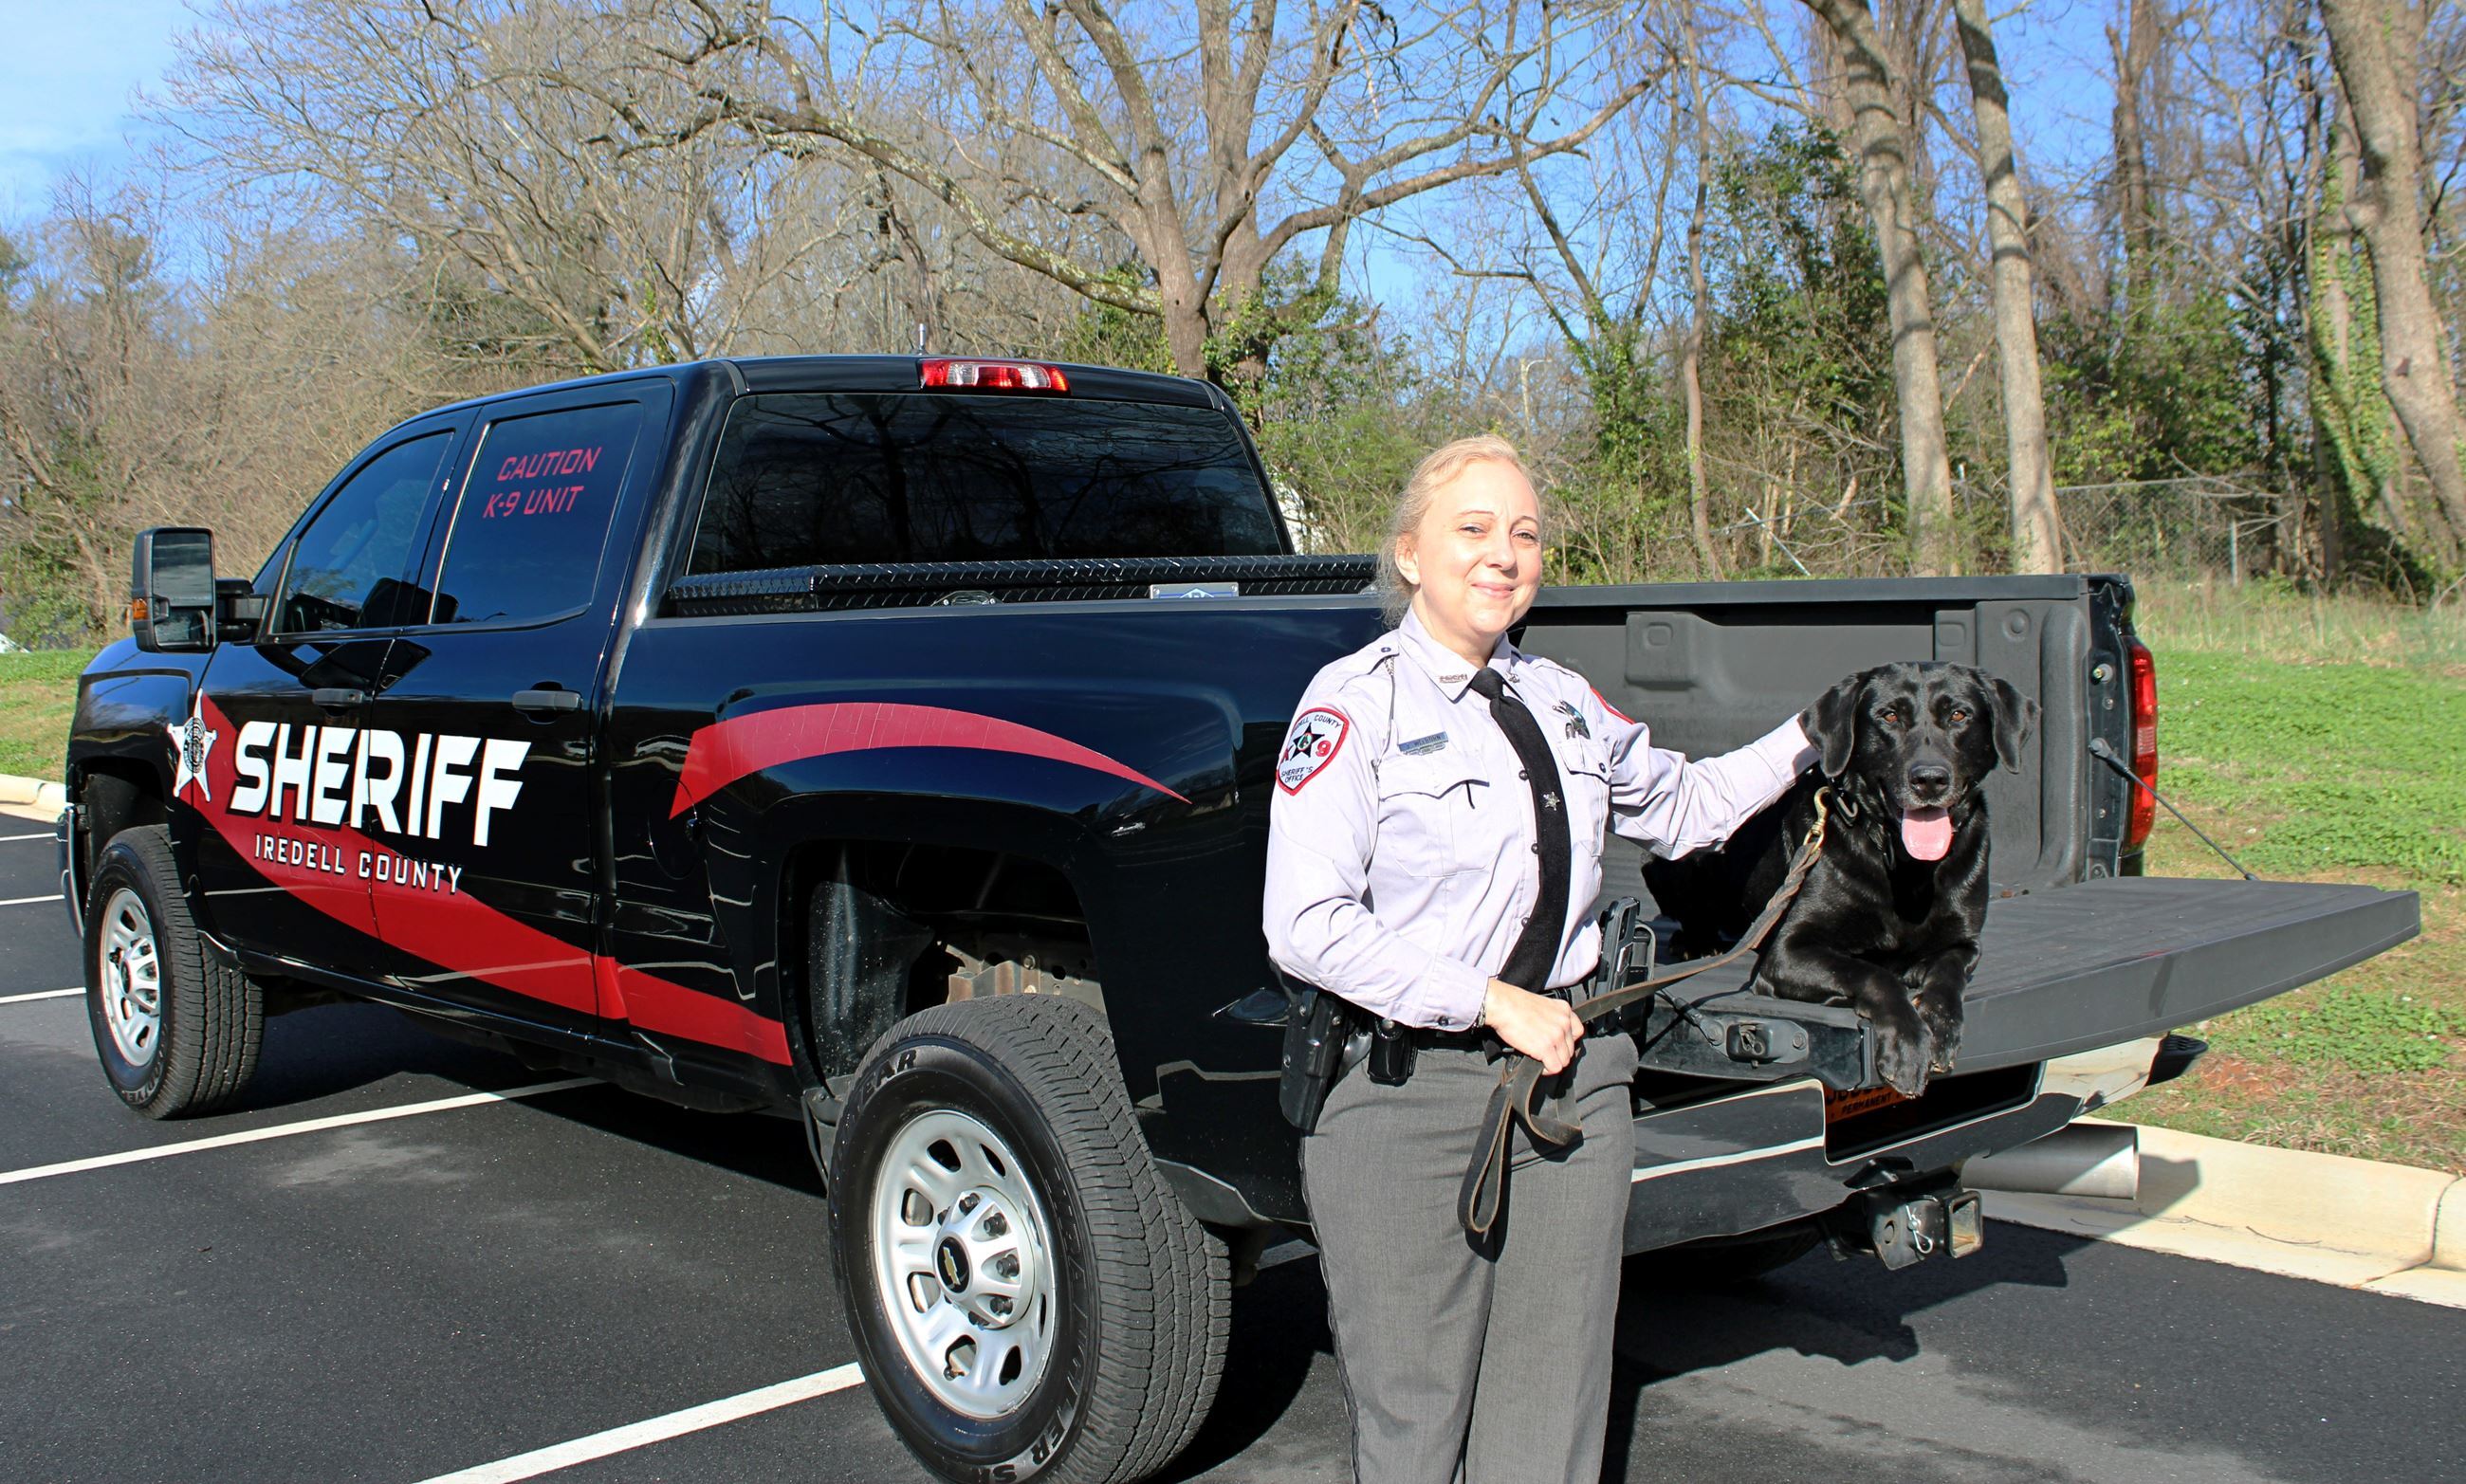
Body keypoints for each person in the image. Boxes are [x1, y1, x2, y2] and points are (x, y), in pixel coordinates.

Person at [1262, 436, 1816, 1483]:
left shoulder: (1563, 697)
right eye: (1471, 528)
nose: (1501, 553)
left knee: (1551, 1412)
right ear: (1410, 554)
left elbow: (1687, 805)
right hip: (1403, 1095)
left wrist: (1806, 735)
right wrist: (1485, 998)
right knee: (1413, 1421)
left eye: (1522, 533)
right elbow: (1305, 923)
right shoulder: (1352, 703)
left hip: (1571, 1083)